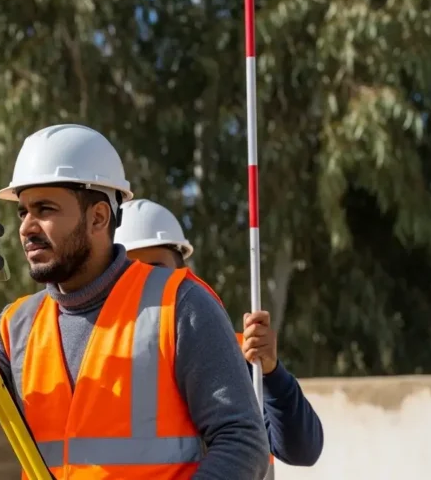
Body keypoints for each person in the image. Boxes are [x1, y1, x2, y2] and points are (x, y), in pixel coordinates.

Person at [0, 123, 270, 479]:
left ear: (98, 217)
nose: (27, 228)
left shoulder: (179, 304)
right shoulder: (16, 327)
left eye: (45, 209)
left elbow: (243, 441)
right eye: (23, 212)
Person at [114, 198, 325, 467]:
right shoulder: (94, 360)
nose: (145, 284)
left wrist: (271, 373)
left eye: (156, 271)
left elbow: (303, 450)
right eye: (130, 273)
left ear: (182, 274)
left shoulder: (233, 353)